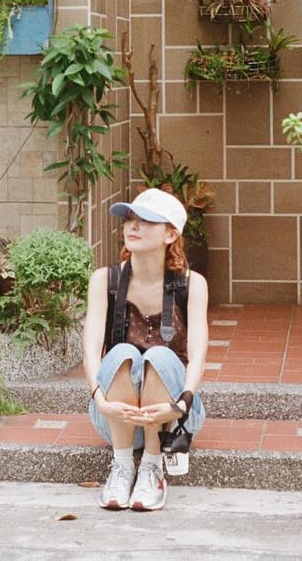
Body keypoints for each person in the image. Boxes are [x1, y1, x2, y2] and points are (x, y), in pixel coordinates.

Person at [82, 187, 209, 511]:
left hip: (173, 416)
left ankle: (153, 469)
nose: (133, 226)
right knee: (120, 353)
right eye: (130, 219)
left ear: (170, 234)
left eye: (147, 221)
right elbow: (91, 350)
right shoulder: (104, 280)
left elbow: (198, 355)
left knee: (159, 356)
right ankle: (122, 466)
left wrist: (181, 404)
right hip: (114, 416)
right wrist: (100, 401)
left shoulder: (192, 284)